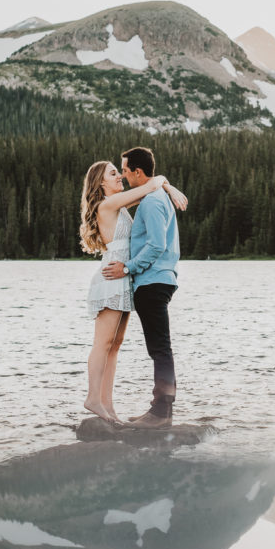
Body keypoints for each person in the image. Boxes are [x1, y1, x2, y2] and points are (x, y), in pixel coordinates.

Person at [79, 160, 187, 424]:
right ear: (100, 182)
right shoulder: (108, 204)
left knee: (115, 346)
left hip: (123, 278)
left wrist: (166, 187)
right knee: (103, 344)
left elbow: (151, 186)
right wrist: (168, 187)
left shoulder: (120, 204)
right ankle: (93, 398)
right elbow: (151, 183)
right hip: (111, 277)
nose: (120, 177)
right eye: (113, 173)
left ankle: (107, 406)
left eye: (120, 171)